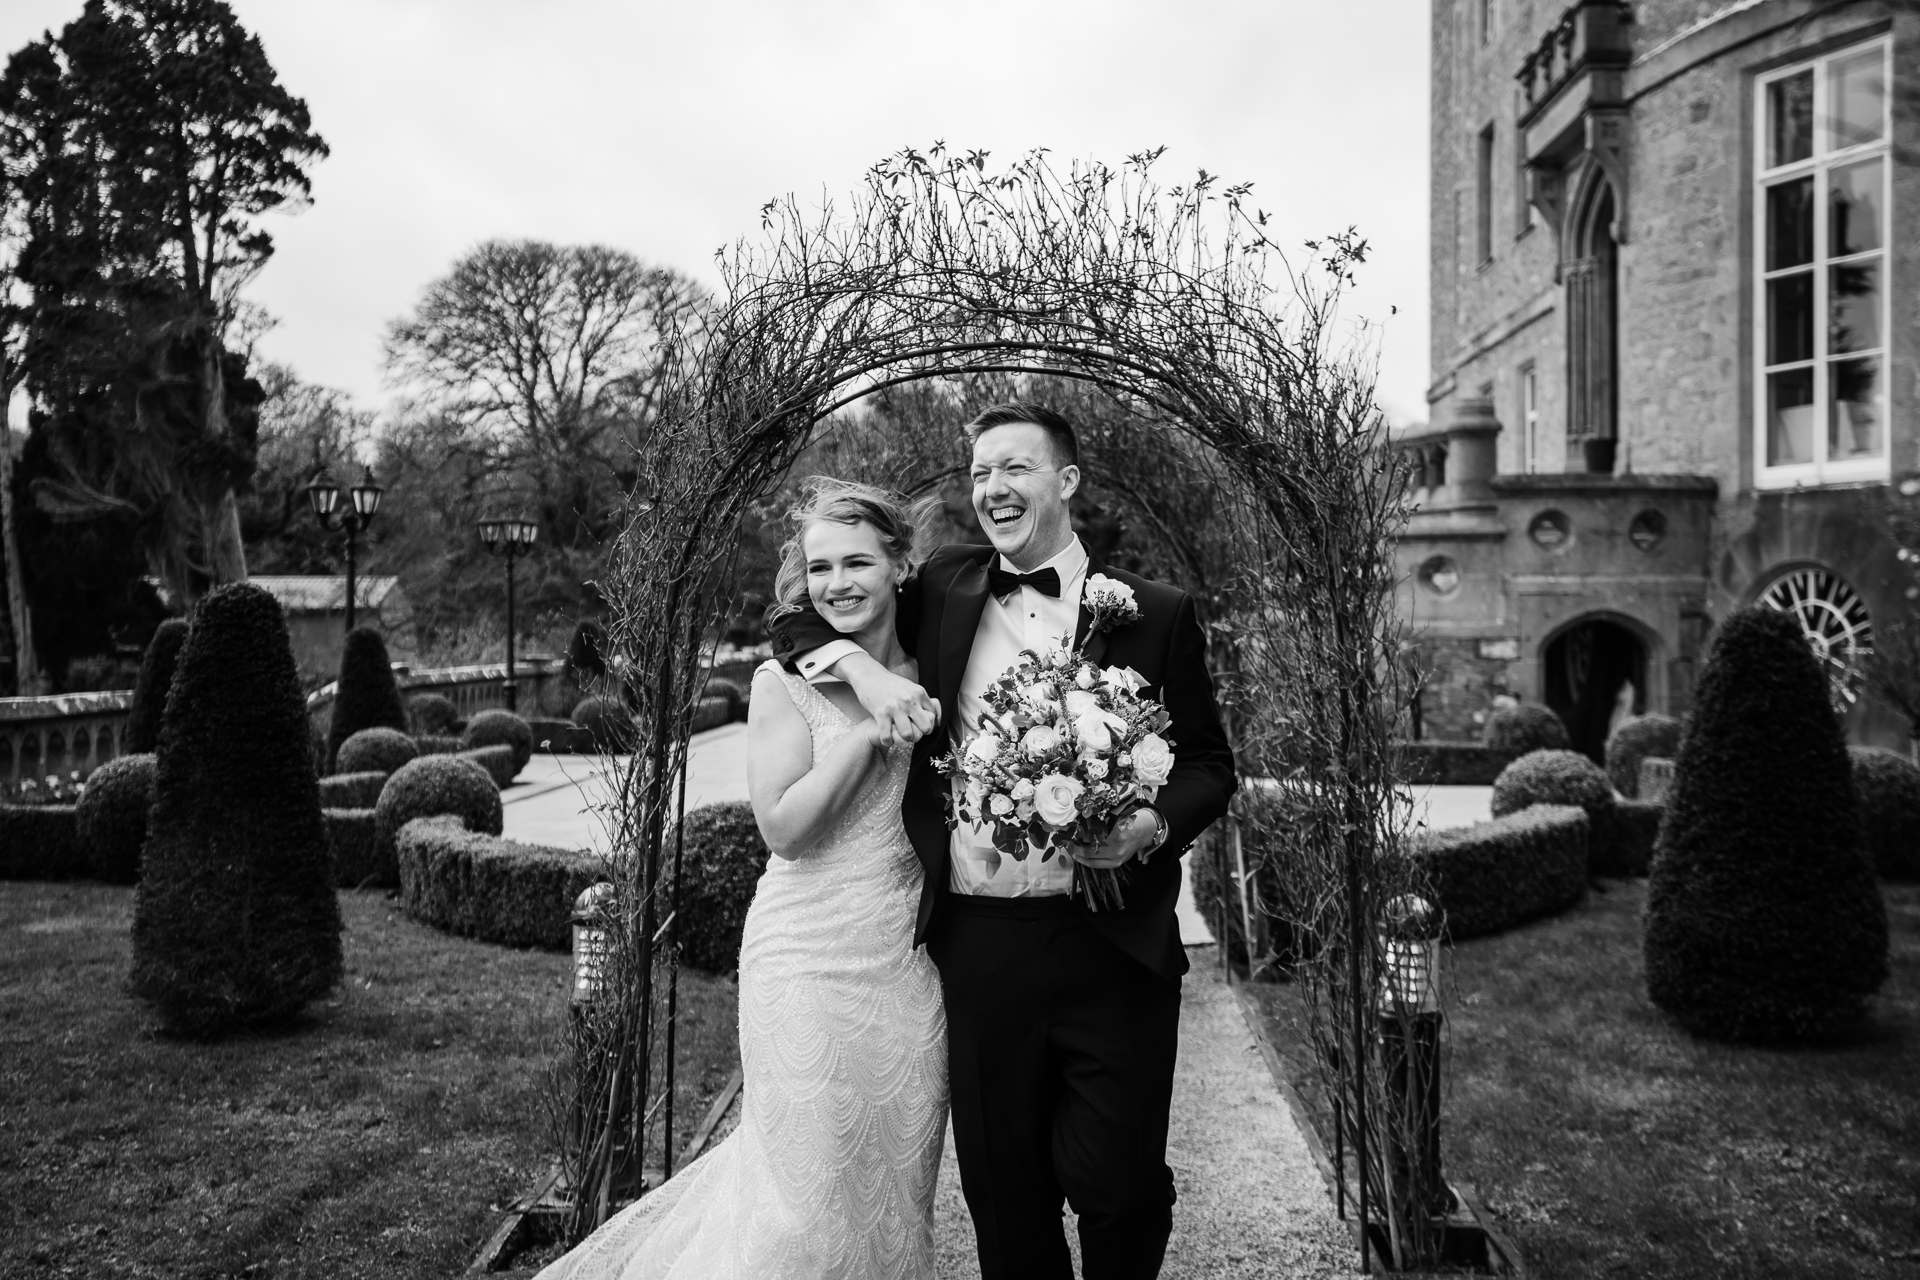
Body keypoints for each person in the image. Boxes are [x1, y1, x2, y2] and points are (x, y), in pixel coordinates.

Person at [772, 403, 1237, 1280]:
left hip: (1116, 943)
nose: (992, 488)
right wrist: (867, 676)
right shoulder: (942, 589)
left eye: (1014, 469)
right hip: (980, 943)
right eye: (980, 472)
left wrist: (1147, 826)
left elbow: (1211, 766)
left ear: (1064, 482)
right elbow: (806, 615)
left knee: (1120, 1183)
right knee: (1003, 1191)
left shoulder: (1155, 614)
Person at [538, 479, 948, 1280]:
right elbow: (785, 831)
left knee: (893, 1184)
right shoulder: (782, 682)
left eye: (859, 561)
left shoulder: (942, 667)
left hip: (908, 967)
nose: (838, 584)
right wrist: (865, 735)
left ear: (902, 566)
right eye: (820, 567)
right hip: (804, 957)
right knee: (802, 1194)